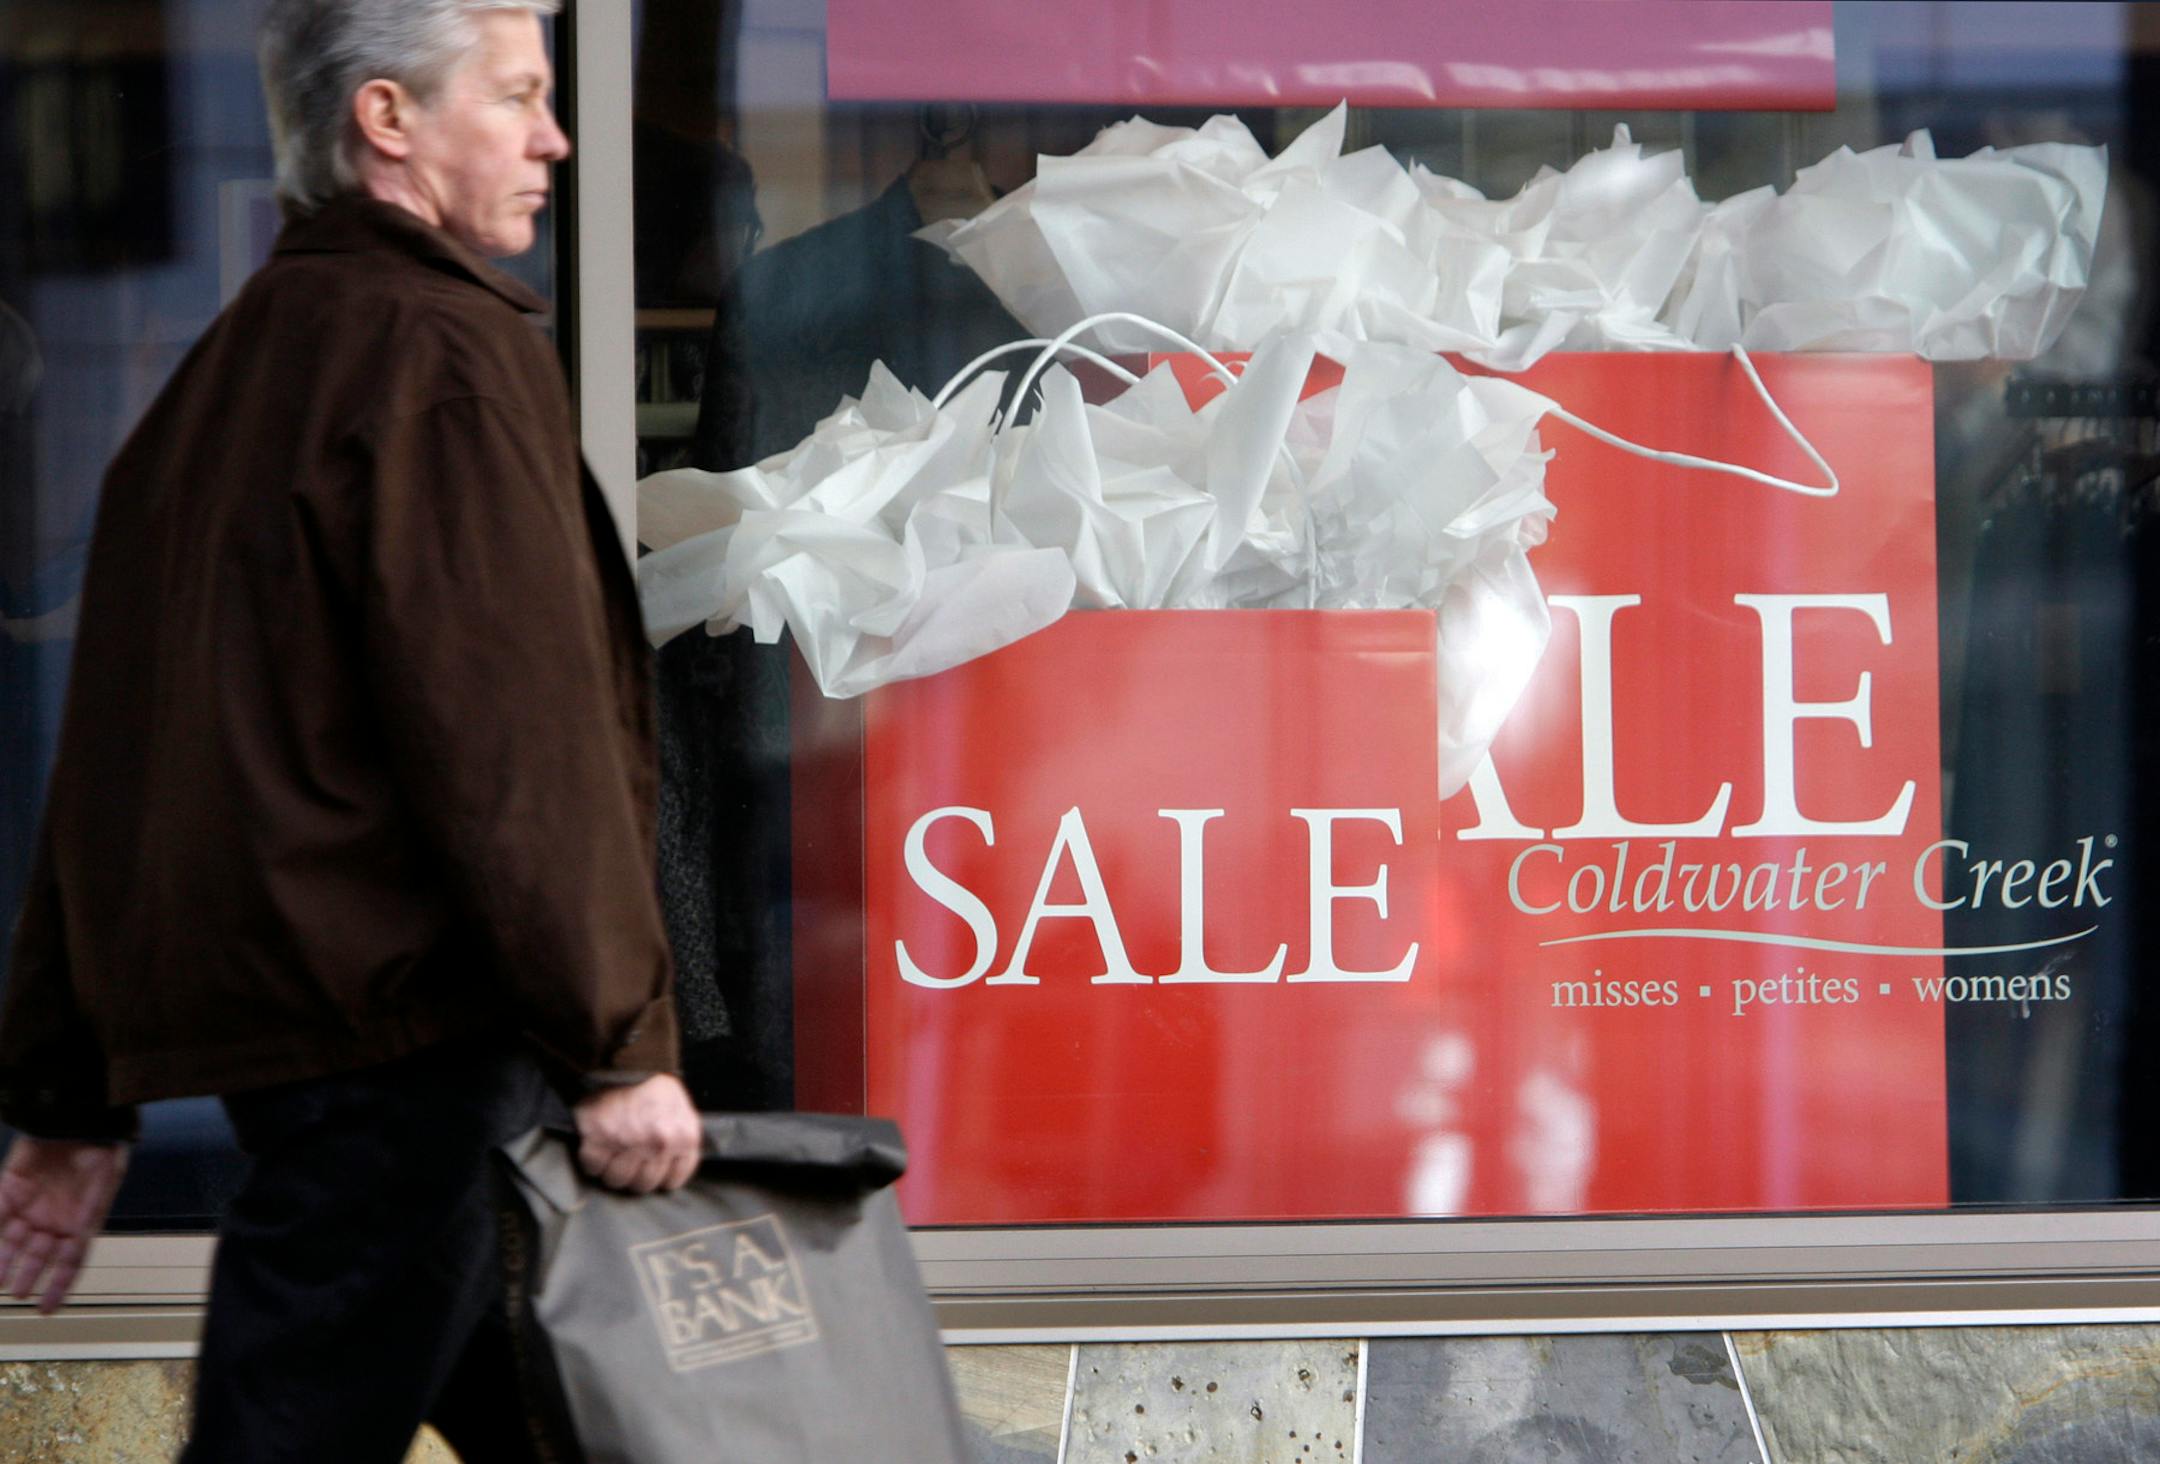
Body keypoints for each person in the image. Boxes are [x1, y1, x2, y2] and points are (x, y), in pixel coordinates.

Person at [0, 1, 702, 1457]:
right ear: (387, 121)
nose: (555, 138)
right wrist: (619, 1046)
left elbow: (107, 770)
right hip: (412, 1066)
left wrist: (72, 1096)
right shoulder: (439, 361)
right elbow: (516, 742)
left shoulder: (220, 383)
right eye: (515, 96)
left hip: (337, 1071)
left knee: (596, 1428)